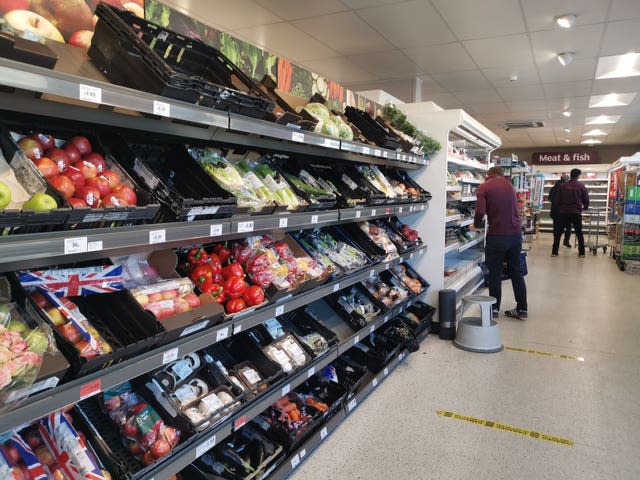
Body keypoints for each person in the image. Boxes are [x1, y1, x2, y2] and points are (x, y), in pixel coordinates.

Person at [473, 166, 528, 320]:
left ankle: (494, 309)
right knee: (516, 272)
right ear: (502, 175)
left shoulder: (484, 187)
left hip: (497, 236)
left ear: (488, 174)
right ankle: (522, 309)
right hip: (515, 235)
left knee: (495, 273)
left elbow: (480, 211)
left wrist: (476, 225)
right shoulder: (510, 186)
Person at [552, 168, 590, 258]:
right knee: (579, 233)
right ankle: (581, 253)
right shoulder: (581, 186)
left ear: (571, 174)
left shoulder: (563, 186)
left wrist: (559, 209)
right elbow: (586, 199)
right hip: (576, 212)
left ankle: (554, 252)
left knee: (558, 233)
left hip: (563, 212)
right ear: (578, 176)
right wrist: (585, 207)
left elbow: (557, 200)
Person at [548, 174, 572, 248]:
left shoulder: (553, 188)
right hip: (566, 211)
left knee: (556, 228)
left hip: (555, 211)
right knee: (568, 227)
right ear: (566, 180)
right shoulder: (568, 188)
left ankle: (555, 243)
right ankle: (566, 241)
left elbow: (549, 199)